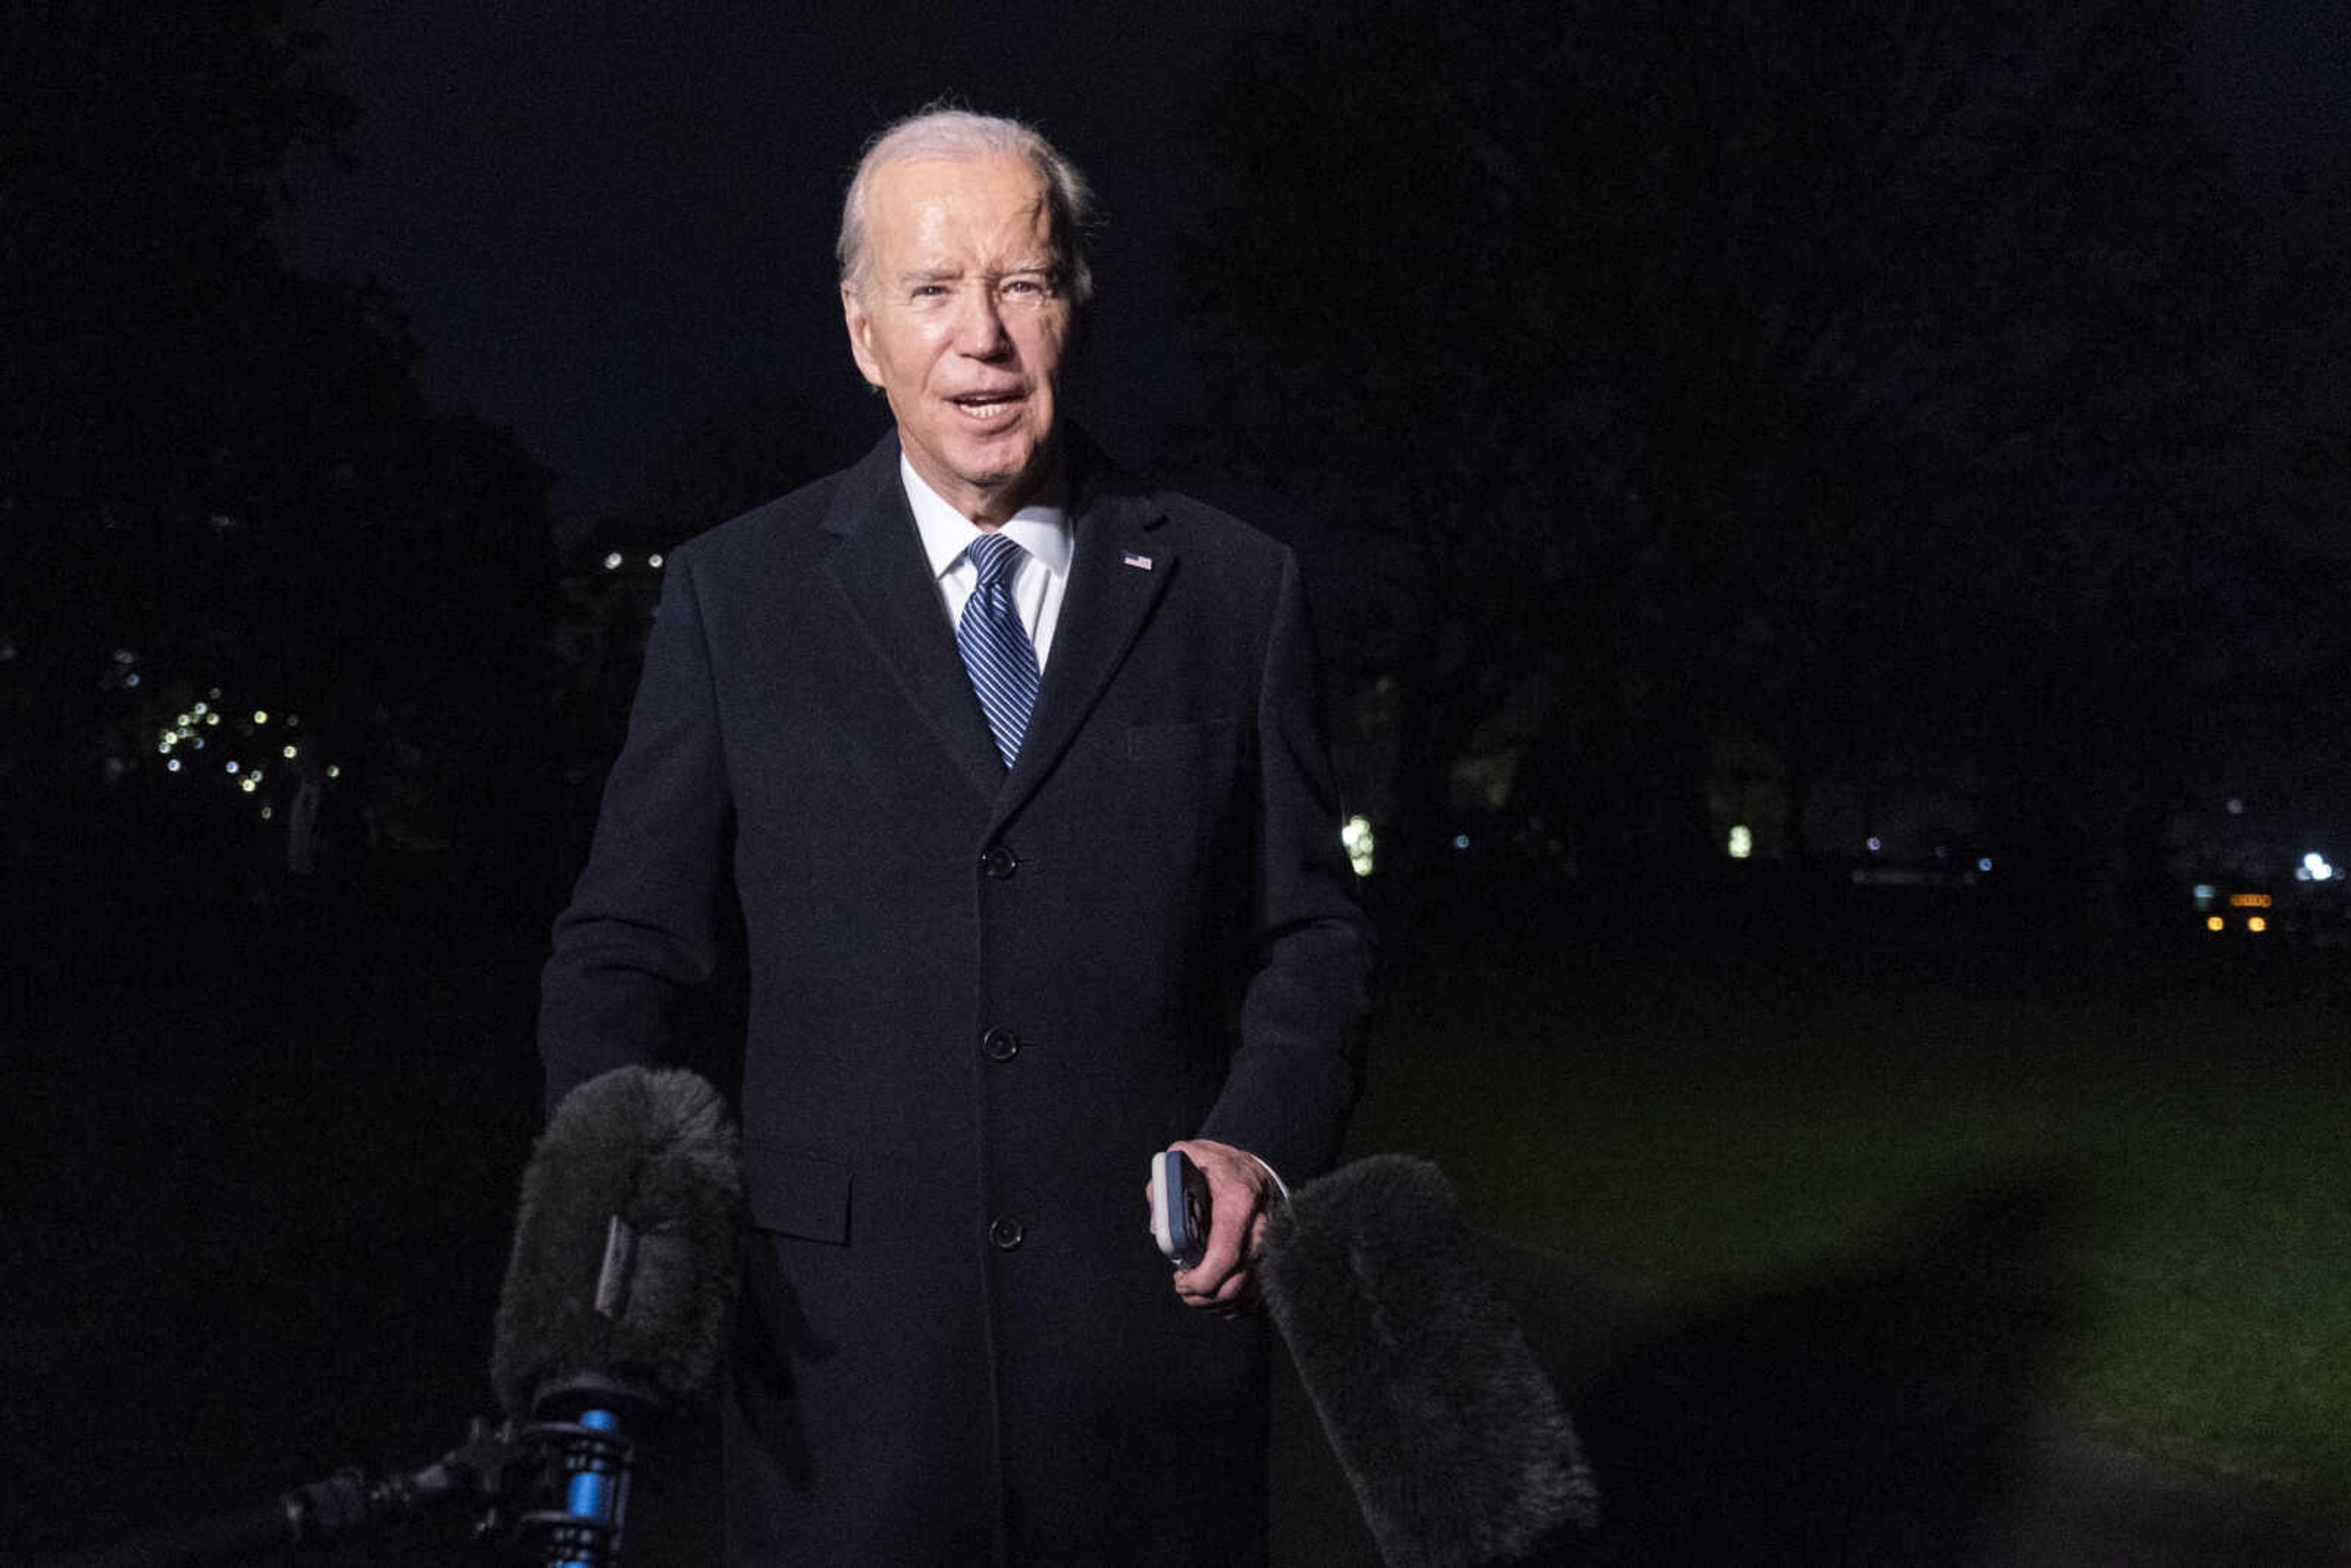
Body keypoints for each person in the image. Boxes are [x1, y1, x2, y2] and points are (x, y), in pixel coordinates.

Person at [538, 106, 1374, 1565]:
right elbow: (624, 946)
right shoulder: (736, 598)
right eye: (932, 291)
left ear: (1076, 311)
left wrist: (1259, 1145)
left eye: (1022, 284)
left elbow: (1310, 934)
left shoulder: (1239, 592)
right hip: (831, 1373)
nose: (980, 338)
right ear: (866, 336)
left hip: (1148, 1373)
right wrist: (628, 1199)